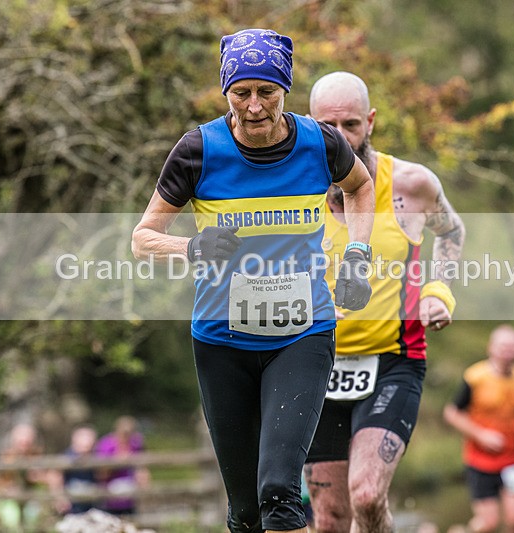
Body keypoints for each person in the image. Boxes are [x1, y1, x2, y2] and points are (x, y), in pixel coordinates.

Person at [131, 29, 375, 533]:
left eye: (268, 91)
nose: (255, 105)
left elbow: (361, 187)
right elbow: (143, 239)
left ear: (285, 90)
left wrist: (357, 252)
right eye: (241, 92)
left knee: (279, 489)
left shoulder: (320, 142)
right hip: (222, 341)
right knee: (244, 510)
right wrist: (193, 247)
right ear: (226, 94)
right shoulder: (199, 149)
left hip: (302, 335)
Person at [302, 71, 465, 533]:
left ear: (370, 121)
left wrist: (439, 290)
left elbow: (451, 231)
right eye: (326, 127)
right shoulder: (291, 192)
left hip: (392, 360)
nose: (340, 139)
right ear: (309, 125)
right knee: (331, 519)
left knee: (368, 496)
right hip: (315, 363)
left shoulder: (412, 185)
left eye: (351, 125)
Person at [443, 324, 514, 533]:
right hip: (480, 459)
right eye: (504, 347)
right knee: (488, 523)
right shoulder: (475, 377)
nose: (509, 352)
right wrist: (481, 435)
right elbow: (452, 413)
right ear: (491, 348)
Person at [0, 423, 49, 532]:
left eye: (27, 442)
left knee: (31, 519)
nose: (24, 445)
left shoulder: (37, 456)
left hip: (32, 498)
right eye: (21, 442)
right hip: (9, 500)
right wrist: (5, 489)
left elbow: (47, 478)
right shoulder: (6, 457)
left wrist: (37, 478)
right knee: (12, 521)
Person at [94, 416, 150, 516]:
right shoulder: (106, 444)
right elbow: (101, 473)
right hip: (109, 497)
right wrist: (117, 462)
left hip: (131, 497)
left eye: (129, 433)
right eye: (123, 433)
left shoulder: (136, 443)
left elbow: (142, 467)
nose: (125, 436)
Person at [52, 424, 100, 515]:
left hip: (92, 505)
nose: (87, 441)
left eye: (89, 438)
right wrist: (60, 498)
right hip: (73, 507)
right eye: (84, 438)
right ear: (75, 440)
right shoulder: (66, 457)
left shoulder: (96, 456)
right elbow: (55, 477)